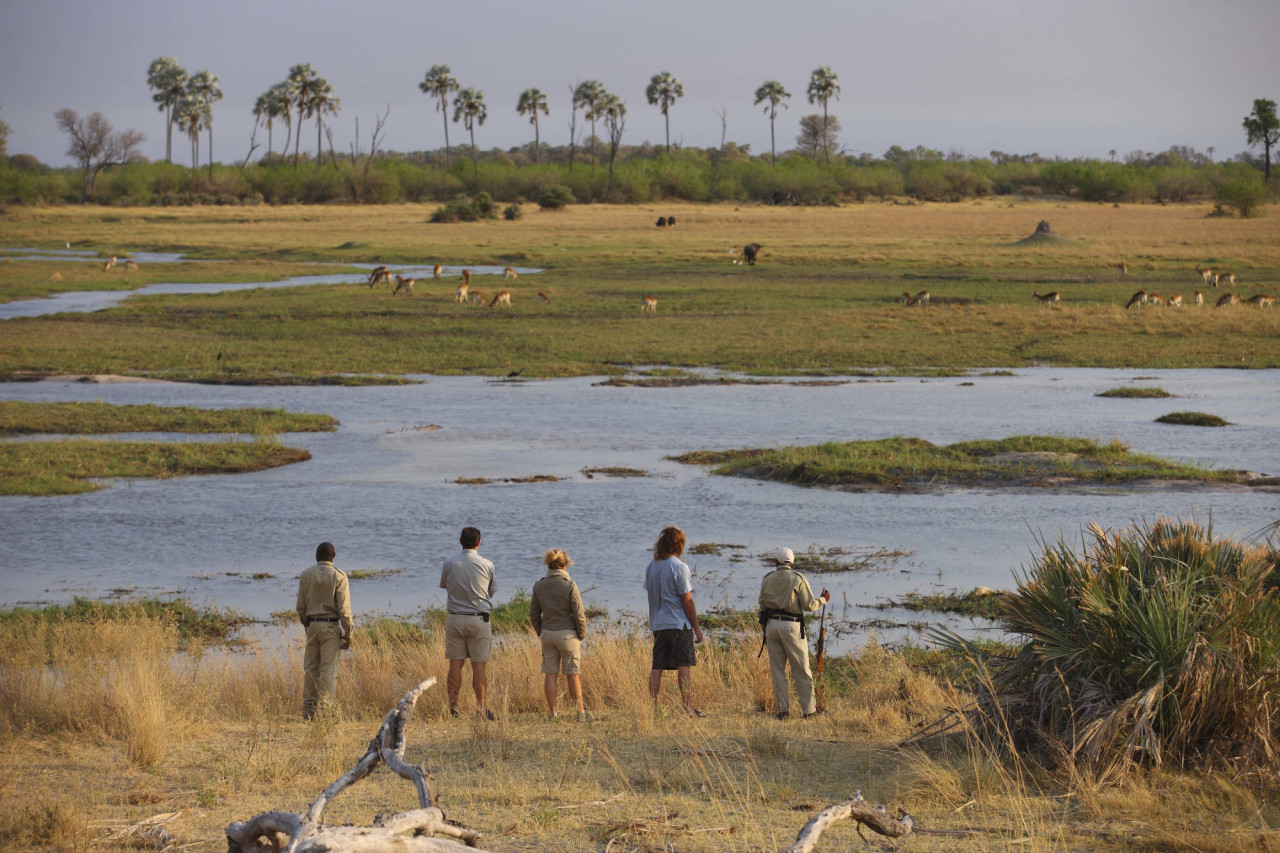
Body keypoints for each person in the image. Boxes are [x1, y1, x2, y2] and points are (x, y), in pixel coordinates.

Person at [758, 547, 830, 719]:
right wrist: (823, 600)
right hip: (792, 626)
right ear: (791, 563)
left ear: (776, 562)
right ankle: (809, 711)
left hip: (772, 625)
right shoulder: (798, 578)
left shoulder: (767, 579)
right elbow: (809, 605)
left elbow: (762, 606)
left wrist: (765, 630)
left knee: (777, 671)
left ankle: (783, 712)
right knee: (802, 670)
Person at [643, 525, 706, 717]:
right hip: (679, 623)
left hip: (659, 623)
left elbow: (651, 595)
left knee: (657, 666)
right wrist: (696, 628)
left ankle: (653, 708)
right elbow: (687, 600)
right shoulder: (679, 567)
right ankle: (686, 707)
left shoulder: (651, 566)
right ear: (679, 544)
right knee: (683, 664)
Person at [440, 526, 497, 719]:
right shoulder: (487, 564)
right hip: (479, 619)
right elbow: (491, 591)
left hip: (455, 617)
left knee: (455, 665)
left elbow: (445, 585)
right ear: (478, 543)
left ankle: (453, 709)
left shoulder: (449, 563)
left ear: (460, 541)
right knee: (478, 666)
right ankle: (480, 708)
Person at [296, 541, 353, 719]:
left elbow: (300, 607)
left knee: (311, 668)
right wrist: (348, 632)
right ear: (333, 556)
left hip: (312, 625)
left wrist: (308, 625)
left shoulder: (306, 574)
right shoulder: (339, 576)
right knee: (328, 670)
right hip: (330, 626)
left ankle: (308, 710)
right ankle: (325, 711)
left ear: (316, 555)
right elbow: (344, 610)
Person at [530, 548, 589, 719]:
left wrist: (541, 631)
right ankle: (580, 713)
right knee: (572, 674)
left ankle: (552, 712)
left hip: (548, 634)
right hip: (568, 635)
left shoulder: (539, 585)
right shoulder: (570, 585)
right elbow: (579, 613)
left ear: (549, 565)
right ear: (564, 565)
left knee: (550, 674)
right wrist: (582, 633)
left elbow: (534, 614)